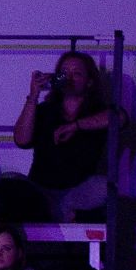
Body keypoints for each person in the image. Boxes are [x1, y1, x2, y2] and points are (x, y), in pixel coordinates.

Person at [13, 50, 116, 219]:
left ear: (89, 82)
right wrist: (33, 95)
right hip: (41, 188)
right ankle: (56, 211)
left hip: (77, 191)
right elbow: (21, 140)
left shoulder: (96, 111)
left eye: (76, 74)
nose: (69, 78)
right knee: (9, 181)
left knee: (105, 186)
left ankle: (60, 210)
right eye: (64, 73)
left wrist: (76, 126)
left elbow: (119, 117)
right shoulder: (45, 110)